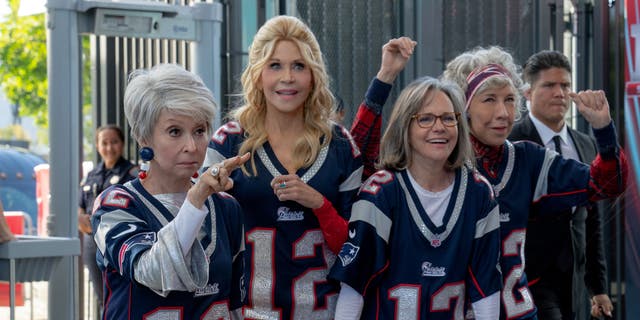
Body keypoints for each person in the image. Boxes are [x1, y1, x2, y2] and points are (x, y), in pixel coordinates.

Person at [350, 45, 627, 319]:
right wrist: (384, 79)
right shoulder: (435, 163)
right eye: (489, 99)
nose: (504, 113)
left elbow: (606, 184)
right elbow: (359, 164)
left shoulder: (526, 159)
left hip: (516, 311)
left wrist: (603, 131)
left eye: (509, 99)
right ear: (463, 106)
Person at [204, 15, 363, 319]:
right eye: (275, 65)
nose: (287, 77)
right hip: (247, 313)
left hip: (322, 312)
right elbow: (203, 246)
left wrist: (320, 204)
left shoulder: (341, 145)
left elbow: (356, 251)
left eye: (299, 66)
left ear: (314, 75)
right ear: (258, 74)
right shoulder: (228, 143)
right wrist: (210, 200)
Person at [329, 76, 502, 319]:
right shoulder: (380, 192)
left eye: (448, 118)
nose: (439, 127)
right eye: (425, 119)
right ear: (404, 127)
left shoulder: (479, 192)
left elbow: (486, 288)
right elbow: (354, 286)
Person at [91, 64, 250, 319]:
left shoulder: (226, 207)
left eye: (199, 130)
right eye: (175, 131)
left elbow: (235, 307)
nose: (191, 145)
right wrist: (196, 198)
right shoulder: (115, 205)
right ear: (144, 137)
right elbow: (153, 270)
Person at [509, 50, 613, 320]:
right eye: (549, 85)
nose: (559, 93)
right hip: (528, 281)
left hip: (575, 283)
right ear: (528, 92)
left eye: (565, 85)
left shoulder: (587, 144)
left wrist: (597, 287)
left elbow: (593, 220)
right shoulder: (511, 142)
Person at [78, 124, 137, 306]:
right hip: (91, 243)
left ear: (122, 144)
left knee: (121, 298)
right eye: (104, 143)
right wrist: (80, 219)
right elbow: (80, 205)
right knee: (101, 297)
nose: (109, 148)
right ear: (97, 146)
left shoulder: (132, 174)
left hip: (118, 243)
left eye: (114, 142)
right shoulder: (91, 175)